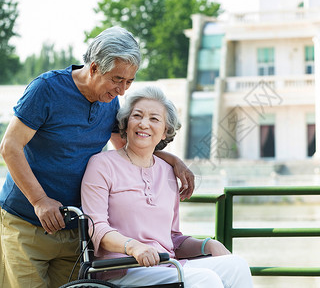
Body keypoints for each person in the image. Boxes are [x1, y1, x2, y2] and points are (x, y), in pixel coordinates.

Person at [0, 26, 194, 288]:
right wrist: (39, 200)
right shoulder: (46, 89)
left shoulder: (109, 102)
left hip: (74, 231)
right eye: (117, 79)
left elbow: (128, 146)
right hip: (26, 223)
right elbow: (10, 146)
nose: (122, 90)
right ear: (93, 68)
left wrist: (173, 160)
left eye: (129, 82)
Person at [80, 86, 253, 287]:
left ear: (165, 132)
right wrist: (133, 247)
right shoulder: (101, 164)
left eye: (154, 119)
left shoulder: (168, 171)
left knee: (236, 265)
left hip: (167, 266)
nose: (144, 124)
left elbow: (172, 239)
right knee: (206, 280)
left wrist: (207, 244)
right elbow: (97, 228)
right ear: (126, 125)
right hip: (123, 270)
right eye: (137, 116)